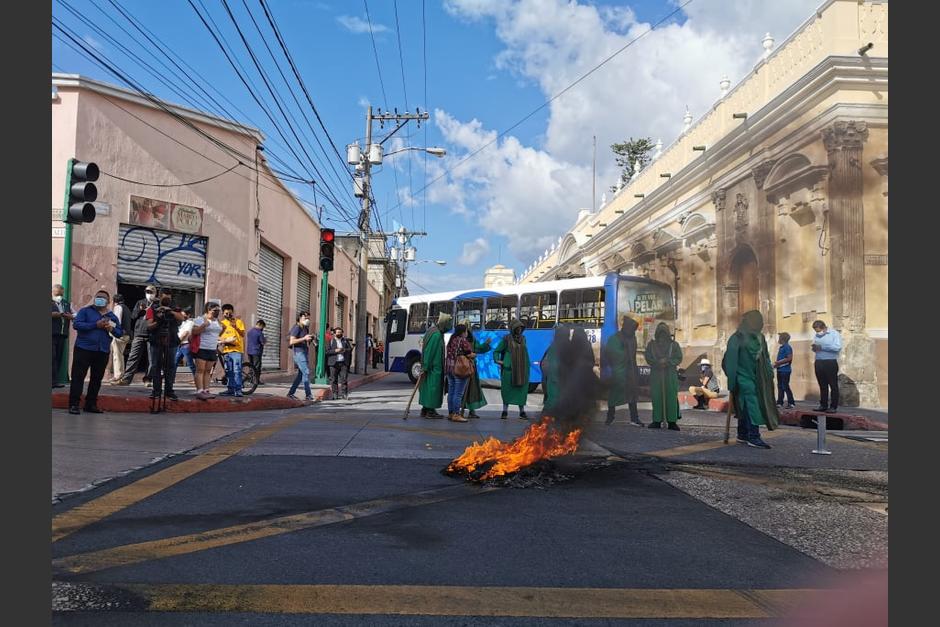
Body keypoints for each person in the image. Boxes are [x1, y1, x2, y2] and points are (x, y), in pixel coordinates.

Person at [722, 310, 778, 449]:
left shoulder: (760, 338)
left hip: (758, 377)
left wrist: (769, 373)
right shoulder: (737, 338)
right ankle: (754, 436)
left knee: (744, 406)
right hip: (743, 378)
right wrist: (732, 380)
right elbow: (730, 361)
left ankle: (743, 434)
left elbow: (765, 358)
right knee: (752, 405)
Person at [68, 290, 123, 415]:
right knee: (78, 377)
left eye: (103, 298)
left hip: (102, 351)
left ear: (108, 301)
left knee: (96, 379)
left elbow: (119, 333)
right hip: (84, 349)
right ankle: (74, 405)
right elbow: (77, 325)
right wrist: (95, 325)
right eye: (98, 297)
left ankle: (91, 404)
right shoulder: (85, 311)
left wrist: (111, 328)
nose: (100, 299)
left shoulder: (112, 316)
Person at [146, 287, 184, 402]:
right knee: (155, 366)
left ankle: (169, 391)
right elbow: (149, 325)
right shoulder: (152, 307)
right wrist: (159, 319)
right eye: (165, 295)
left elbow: (182, 318)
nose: (167, 297)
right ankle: (156, 391)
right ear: (160, 295)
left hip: (171, 340)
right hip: (156, 340)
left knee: (170, 367)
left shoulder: (175, 307)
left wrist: (170, 311)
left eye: (169, 295)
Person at [604, 316, 643, 426]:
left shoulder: (632, 338)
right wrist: (624, 355)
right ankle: (610, 417)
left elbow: (633, 354)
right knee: (614, 395)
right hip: (620, 371)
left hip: (631, 371)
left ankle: (634, 418)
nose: (633, 331)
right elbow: (611, 352)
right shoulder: (615, 338)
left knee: (632, 395)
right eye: (632, 329)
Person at [115, 285, 156, 386]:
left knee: (152, 359)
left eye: (151, 292)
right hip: (139, 333)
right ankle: (126, 379)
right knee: (133, 357)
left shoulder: (157, 305)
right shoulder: (140, 302)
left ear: (155, 293)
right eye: (147, 292)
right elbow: (133, 316)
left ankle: (148, 379)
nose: (149, 294)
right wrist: (140, 311)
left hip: (152, 334)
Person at [645, 322, 683, 430]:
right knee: (657, 397)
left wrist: (668, 362)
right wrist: (658, 363)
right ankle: (657, 420)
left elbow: (678, 357)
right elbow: (648, 357)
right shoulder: (651, 345)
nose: (662, 336)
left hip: (670, 375)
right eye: (660, 334)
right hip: (656, 375)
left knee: (671, 397)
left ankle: (672, 422)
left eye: (664, 334)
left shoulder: (674, 345)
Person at [493, 318, 530, 419]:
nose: (519, 330)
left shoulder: (523, 339)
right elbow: (497, 351)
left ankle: (522, 411)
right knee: (507, 390)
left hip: (522, 370)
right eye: (517, 328)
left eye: (521, 328)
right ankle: (505, 411)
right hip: (509, 370)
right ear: (513, 328)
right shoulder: (506, 339)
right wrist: (499, 361)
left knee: (521, 390)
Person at [419, 313, 453, 418]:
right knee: (432, 389)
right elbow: (430, 351)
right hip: (434, 368)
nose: (450, 327)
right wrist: (425, 366)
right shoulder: (436, 335)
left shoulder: (433, 331)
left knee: (428, 388)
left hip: (432, 367)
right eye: (449, 324)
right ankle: (430, 411)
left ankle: (426, 409)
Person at [190, 302, 223, 400]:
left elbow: (218, 332)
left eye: (218, 310)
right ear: (208, 310)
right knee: (200, 370)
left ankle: (206, 390)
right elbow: (194, 331)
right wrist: (204, 325)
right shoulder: (200, 319)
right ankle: (199, 391)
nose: (217, 312)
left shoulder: (217, 321)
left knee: (208, 371)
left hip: (212, 348)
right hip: (202, 348)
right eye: (215, 311)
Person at [460, 321, 492, 419]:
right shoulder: (460, 340)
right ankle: (460, 411)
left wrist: (486, 344)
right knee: (462, 390)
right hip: (463, 368)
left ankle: (470, 410)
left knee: (471, 389)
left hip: (469, 368)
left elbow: (479, 348)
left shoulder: (471, 339)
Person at [445, 324, 475, 422]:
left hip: (449, 368)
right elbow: (469, 353)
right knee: (458, 394)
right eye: (466, 331)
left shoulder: (451, 340)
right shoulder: (463, 341)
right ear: (463, 332)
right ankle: (456, 414)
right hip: (460, 370)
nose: (467, 333)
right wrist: (474, 355)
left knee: (451, 392)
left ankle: (450, 413)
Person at [811, 320, 842, 413]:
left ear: (824, 328)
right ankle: (823, 405)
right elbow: (815, 346)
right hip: (819, 361)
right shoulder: (816, 335)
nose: (817, 333)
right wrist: (814, 348)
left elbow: (837, 347)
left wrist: (822, 347)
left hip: (830, 362)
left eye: (818, 330)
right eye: (816, 331)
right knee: (822, 385)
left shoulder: (834, 334)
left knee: (833, 385)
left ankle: (833, 406)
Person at [218, 304, 246, 397]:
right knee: (228, 371)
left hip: (237, 350)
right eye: (226, 313)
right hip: (226, 350)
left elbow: (242, 334)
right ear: (223, 313)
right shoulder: (222, 324)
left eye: (230, 313)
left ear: (233, 312)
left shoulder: (238, 322)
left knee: (237, 371)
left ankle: (238, 390)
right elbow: (220, 337)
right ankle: (230, 389)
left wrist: (235, 327)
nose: (228, 315)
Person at [540, 325, 569, 415]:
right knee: (553, 400)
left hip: (551, 378)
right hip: (555, 378)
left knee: (551, 399)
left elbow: (543, 363)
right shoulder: (560, 347)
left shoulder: (553, 346)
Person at [52, 284, 76, 388]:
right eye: (57, 293)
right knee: (51, 357)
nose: (59, 295)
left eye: (61, 293)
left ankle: (54, 381)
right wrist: (55, 314)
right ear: (53, 292)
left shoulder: (66, 303)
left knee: (58, 357)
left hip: (62, 334)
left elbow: (76, 314)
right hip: (51, 333)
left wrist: (70, 316)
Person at [286, 312, 314, 401]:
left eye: (308, 317)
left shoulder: (305, 328)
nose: (307, 319)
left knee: (301, 374)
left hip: (304, 352)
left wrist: (310, 339)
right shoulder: (296, 327)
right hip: (298, 353)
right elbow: (292, 341)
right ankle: (308, 395)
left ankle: (291, 393)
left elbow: (306, 338)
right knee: (306, 372)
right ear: (299, 318)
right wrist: (304, 338)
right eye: (305, 317)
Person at [105, 294, 131, 384]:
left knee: (117, 356)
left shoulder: (118, 308)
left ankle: (118, 376)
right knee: (120, 355)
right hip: (126, 335)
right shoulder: (126, 308)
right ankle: (119, 375)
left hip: (120, 335)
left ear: (113, 301)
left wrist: (108, 323)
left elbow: (117, 322)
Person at [326, 326, 354, 399]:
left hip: (343, 363)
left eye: (340, 333)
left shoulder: (345, 341)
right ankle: (335, 394)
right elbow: (327, 351)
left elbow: (350, 349)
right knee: (333, 379)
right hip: (333, 363)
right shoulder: (331, 341)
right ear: (334, 334)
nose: (339, 334)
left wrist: (344, 350)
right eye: (338, 332)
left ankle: (344, 394)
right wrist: (335, 351)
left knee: (344, 379)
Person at [774, 332, 796, 409]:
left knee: (785, 386)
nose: (778, 339)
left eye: (779, 337)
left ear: (782, 339)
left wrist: (779, 362)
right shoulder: (781, 347)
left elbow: (789, 358)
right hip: (780, 369)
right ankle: (780, 402)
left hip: (785, 370)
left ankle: (791, 402)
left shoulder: (787, 347)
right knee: (780, 386)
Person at [175, 308, 197, 382]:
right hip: (180, 345)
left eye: (184, 315)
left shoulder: (190, 322)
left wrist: (177, 341)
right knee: (174, 362)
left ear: (188, 315)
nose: (182, 316)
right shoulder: (182, 323)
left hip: (185, 345)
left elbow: (186, 333)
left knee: (190, 363)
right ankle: (171, 378)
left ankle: (196, 379)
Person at [246, 320, 267, 385]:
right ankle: (256, 381)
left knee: (251, 366)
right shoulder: (259, 332)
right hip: (257, 352)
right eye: (263, 327)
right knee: (257, 367)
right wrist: (265, 339)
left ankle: (250, 379)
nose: (263, 329)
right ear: (260, 325)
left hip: (249, 351)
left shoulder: (249, 331)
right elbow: (262, 342)